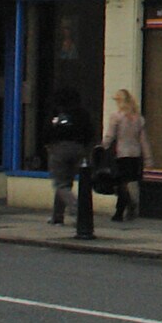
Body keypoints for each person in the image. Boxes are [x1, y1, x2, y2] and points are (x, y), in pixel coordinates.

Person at [43, 89, 94, 226]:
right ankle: (57, 216)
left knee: (60, 184)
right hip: (78, 149)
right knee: (66, 183)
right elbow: (90, 131)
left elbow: (47, 131)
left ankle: (77, 208)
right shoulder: (82, 114)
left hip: (59, 148)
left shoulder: (57, 113)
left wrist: (48, 144)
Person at [102, 88, 148, 223]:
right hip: (135, 155)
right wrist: (148, 158)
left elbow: (110, 135)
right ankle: (131, 206)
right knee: (130, 182)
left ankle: (120, 210)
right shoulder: (138, 118)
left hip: (122, 154)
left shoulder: (116, 117)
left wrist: (102, 146)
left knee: (121, 183)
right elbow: (143, 140)